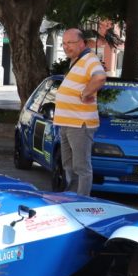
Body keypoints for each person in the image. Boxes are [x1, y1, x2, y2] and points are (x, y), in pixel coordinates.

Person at [54, 28, 107, 195]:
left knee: (81, 167)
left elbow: (99, 77)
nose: (65, 47)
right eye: (63, 43)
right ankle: (72, 197)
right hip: (67, 122)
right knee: (68, 164)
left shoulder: (90, 59)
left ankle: (82, 202)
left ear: (82, 43)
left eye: (70, 43)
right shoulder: (77, 60)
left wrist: (86, 93)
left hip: (80, 123)